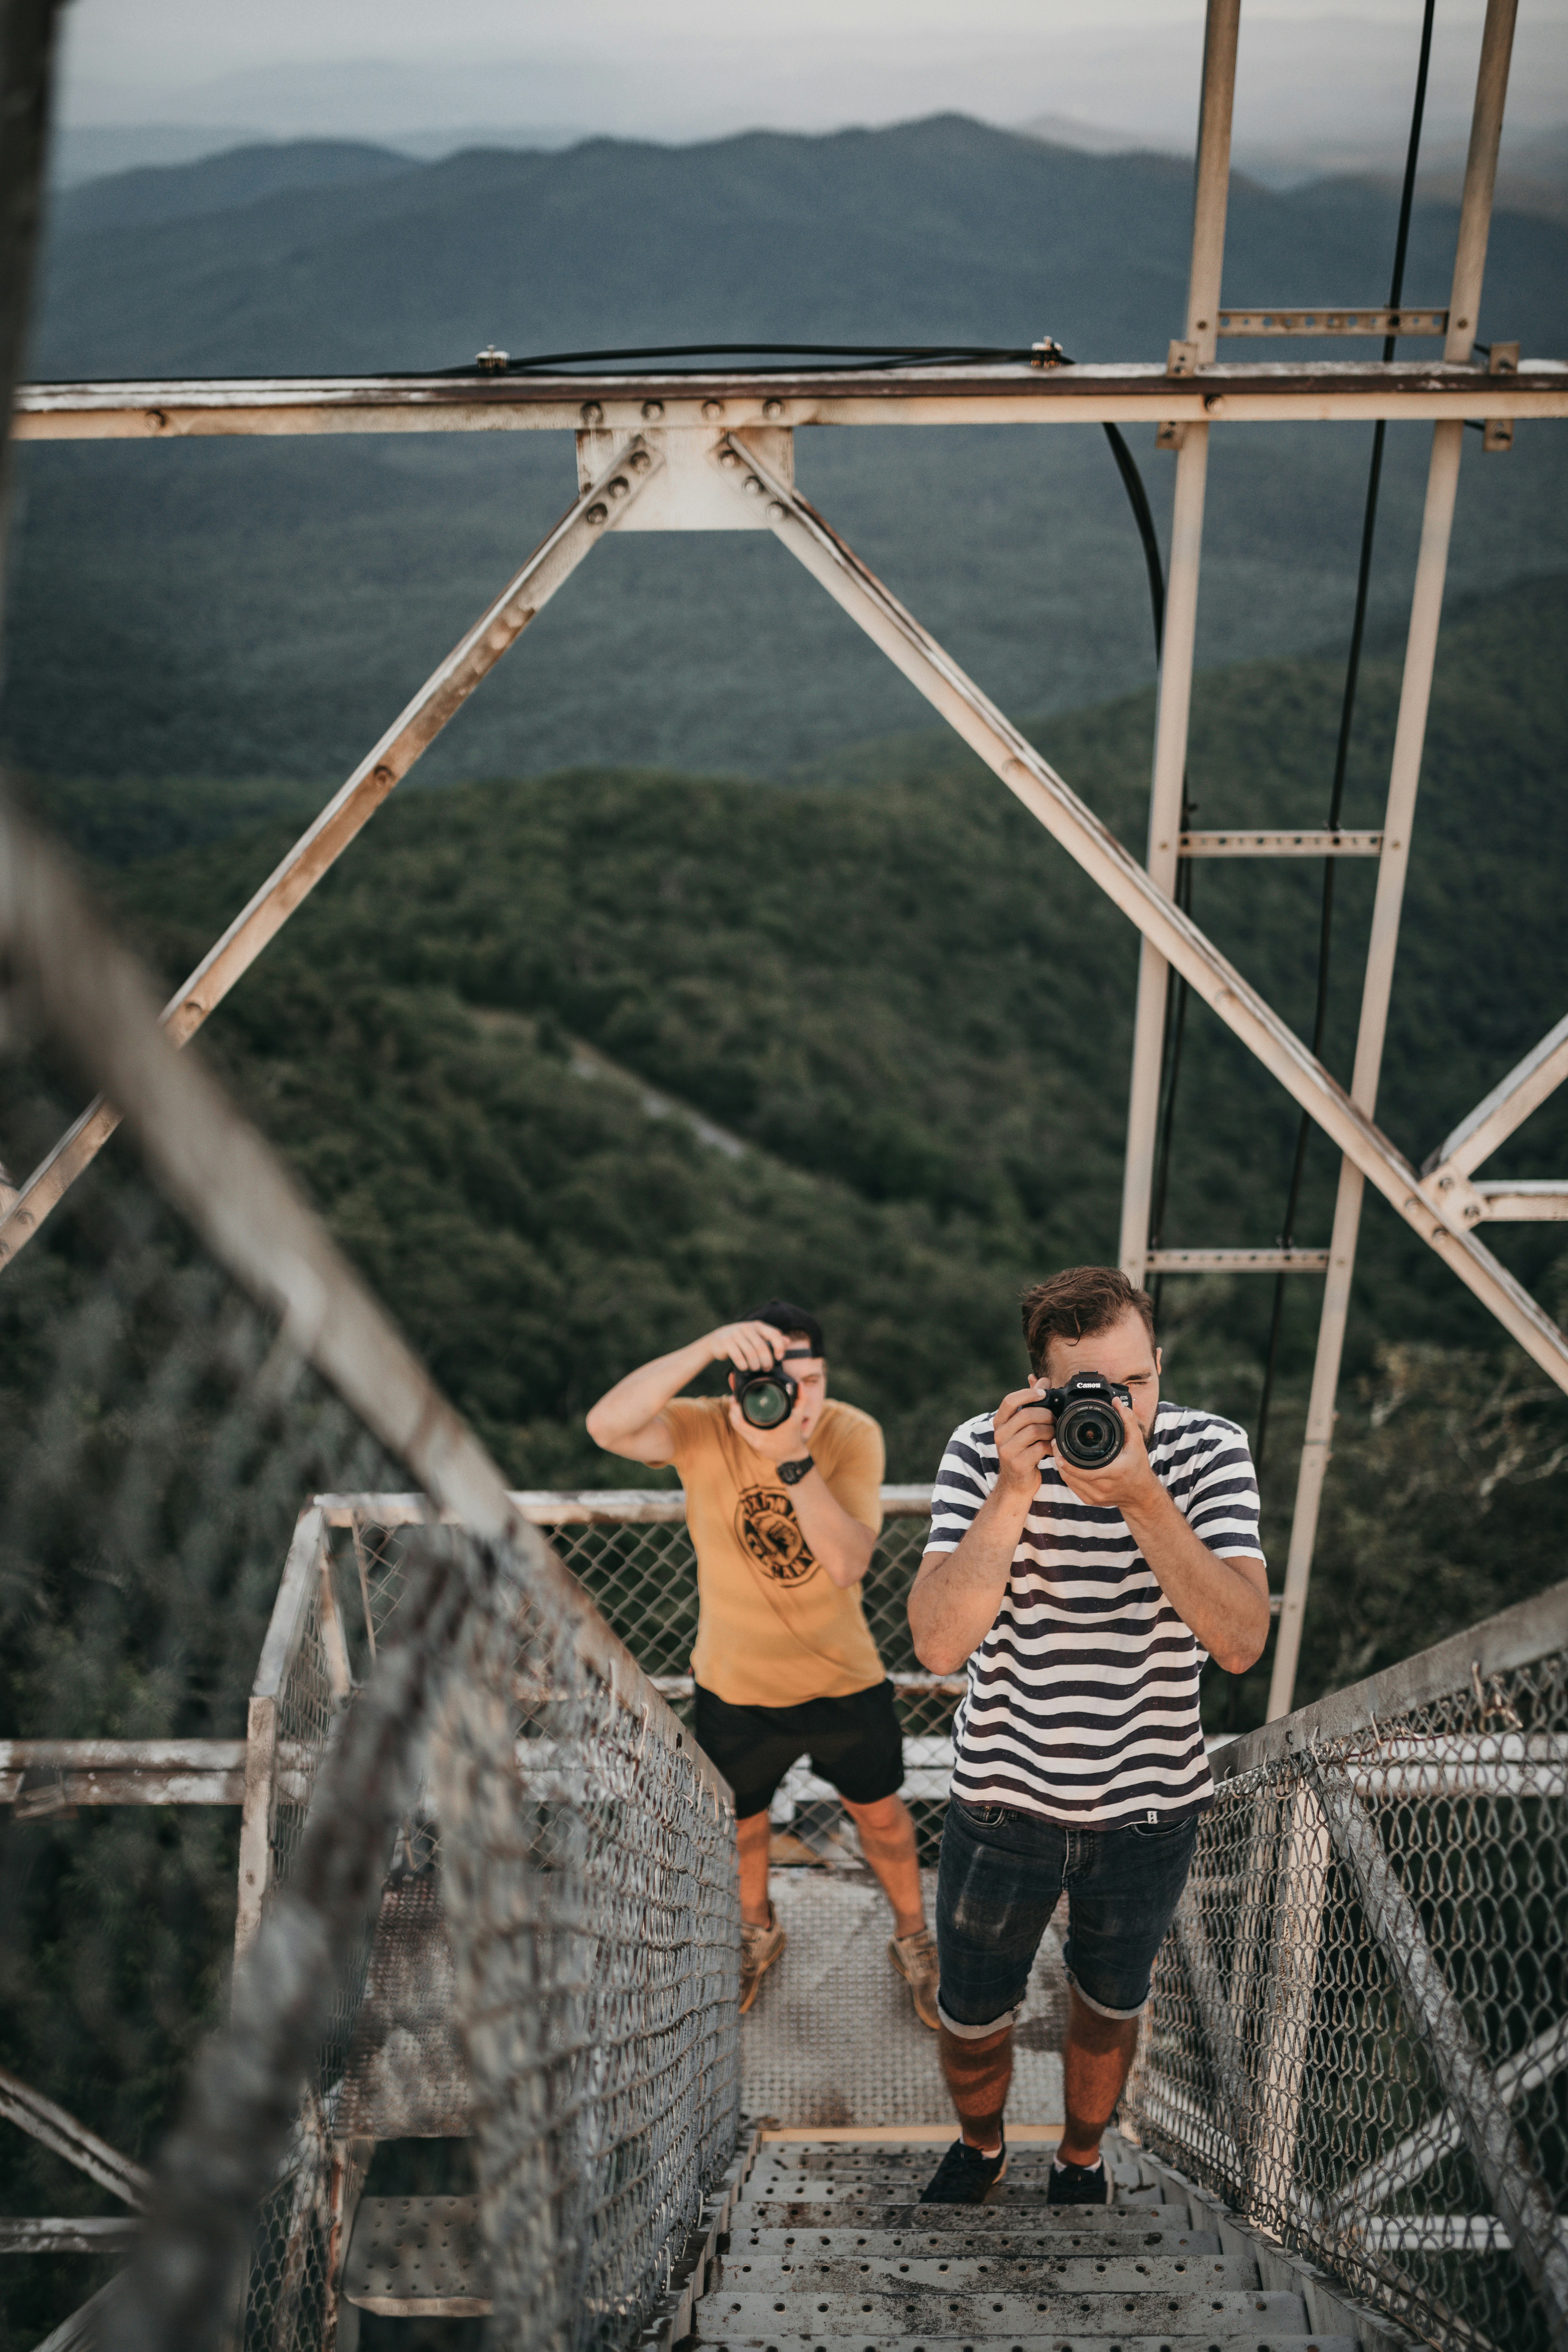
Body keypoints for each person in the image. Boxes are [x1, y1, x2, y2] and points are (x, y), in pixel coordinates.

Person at [907, 1265, 1270, 2206]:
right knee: (972, 2011)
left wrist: (1143, 1495)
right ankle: (982, 2146)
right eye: (1089, 1391)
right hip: (1003, 1792)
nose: (1117, 1407)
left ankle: (1079, 2159)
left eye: (1136, 1383)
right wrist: (1015, 1490)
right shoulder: (984, 1452)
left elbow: (1237, 1642)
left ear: (1160, 1366)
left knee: (1111, 2007)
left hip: (1150, 1803)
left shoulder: (1208, 1451)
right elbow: (941, 1643)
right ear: (1041, 1389)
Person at [585, 1299, 939, 2026]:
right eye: (782, 1382)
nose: (800, 1399)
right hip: (734, 1684)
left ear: (826, 1377)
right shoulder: (705, 1424)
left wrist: (789, 1457)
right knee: (742, 1825)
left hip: (842, 1677)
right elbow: (607, 1425)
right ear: (740, 1381)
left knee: (882, 1819)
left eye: (812, 1380)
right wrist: (706, 1346)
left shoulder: (848, 1432)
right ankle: (756, 1930)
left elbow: (845, 1561)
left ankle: (914, 1935)